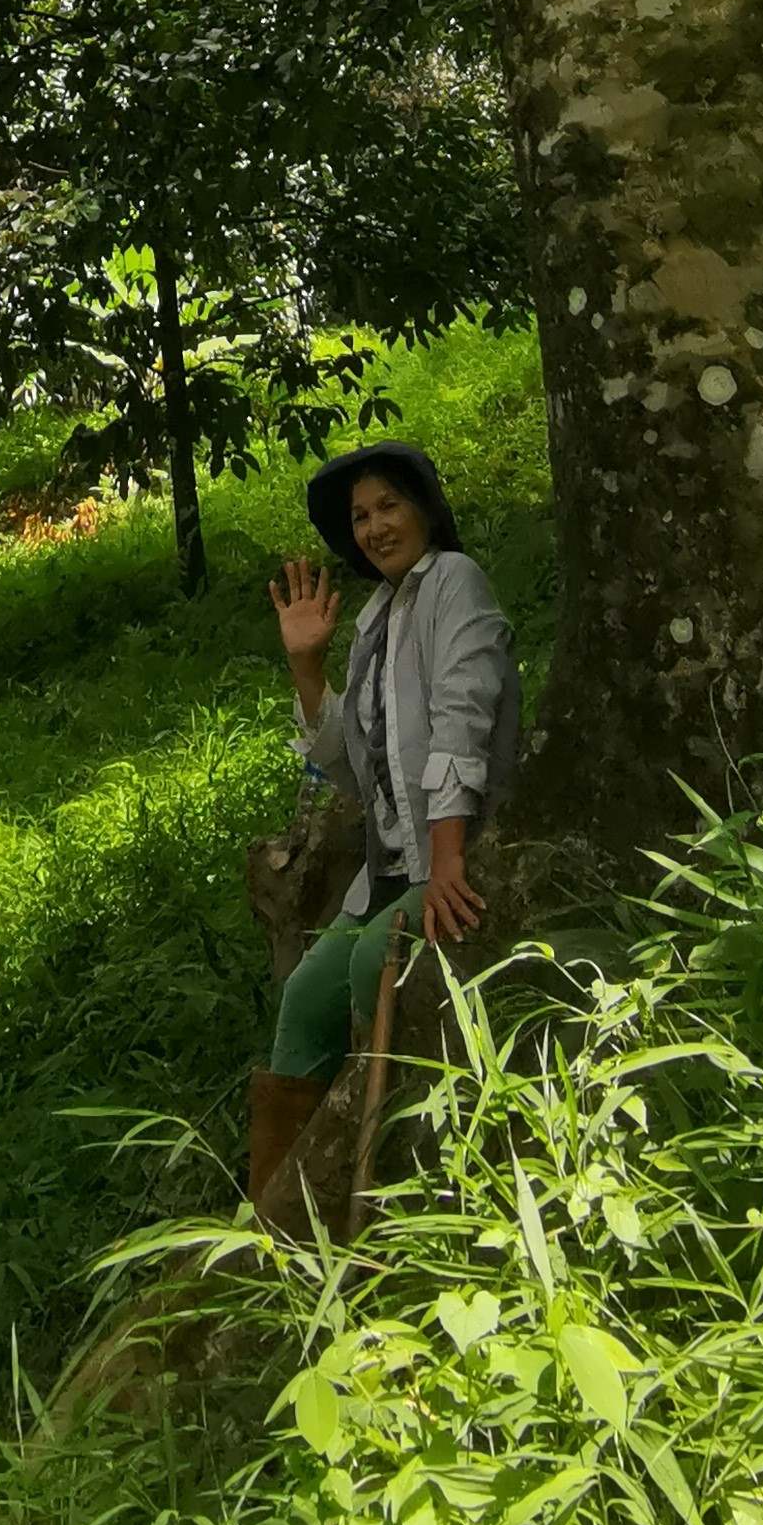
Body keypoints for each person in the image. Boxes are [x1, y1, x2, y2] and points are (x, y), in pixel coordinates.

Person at [247, 440, 521, 1200]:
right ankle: (275, 1218)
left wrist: (448, 861)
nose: (373, 527)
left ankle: (405, 1181)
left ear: (426, 509)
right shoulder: (375, 620)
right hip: (390, 870)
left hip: (457, 848)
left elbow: (465, 720)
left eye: (388, 506)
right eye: (360, 517)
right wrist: (308, 670)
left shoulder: (454, 584)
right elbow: (354, 773)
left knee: (378, 962)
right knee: (307, 994)